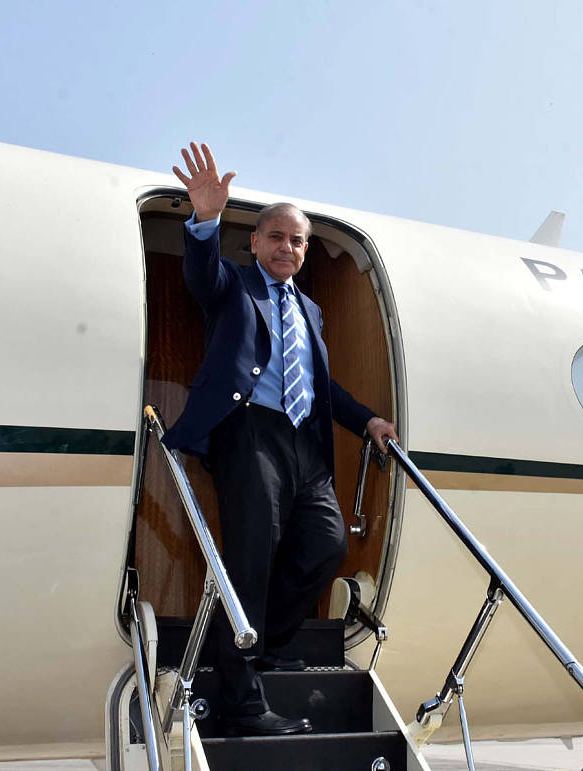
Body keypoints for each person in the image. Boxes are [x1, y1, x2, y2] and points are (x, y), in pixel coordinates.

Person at [163, 142, 398, 737]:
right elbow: (200, 275)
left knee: (325, 545)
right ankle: (243, 705)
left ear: (305, 250)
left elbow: (324, 385)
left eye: (297, 240)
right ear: (255, 242)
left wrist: (367, 420)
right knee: (250, 558)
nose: (287, 247)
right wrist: (205, 219)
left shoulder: (311, 311)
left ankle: (264, 646)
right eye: (276, 237)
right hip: (250, 432)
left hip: (303, 441)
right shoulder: (233, 286)